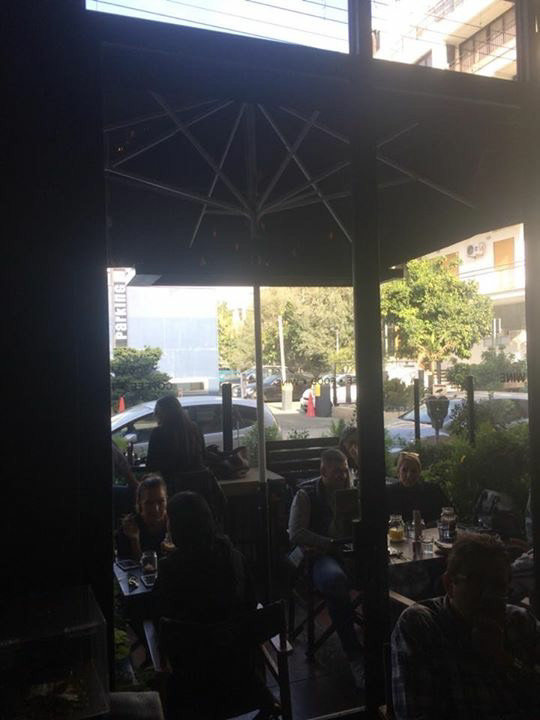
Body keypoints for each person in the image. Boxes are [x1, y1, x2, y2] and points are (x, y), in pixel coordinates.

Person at [391, 533, 540, 719]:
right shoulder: (422, 626)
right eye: (476, 582)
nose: (488, 595)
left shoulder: (520, 622)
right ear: (449, 584)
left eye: (498, 585)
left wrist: (503, 659)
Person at [288, 448, 363, 686]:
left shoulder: (352, 491)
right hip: (320, 556)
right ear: (323, 472)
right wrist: (328, 543)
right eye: (337, 472)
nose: (343, 476)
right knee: (335, 581)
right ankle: (354, 654)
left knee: (386, 570)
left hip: (350, 551)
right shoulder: (306, 494)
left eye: (345, 471)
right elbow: (296, 532)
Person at [153, 491, 255, 623]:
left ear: (176, 527)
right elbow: (251, 603)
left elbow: (158, 613)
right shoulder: (235, 556)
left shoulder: (169, 568)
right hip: (235, 635)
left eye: (169, 520)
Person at [146, 395, 206, 494]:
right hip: (197, 487)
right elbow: (203, 455)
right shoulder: (195, 429)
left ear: (164, 413)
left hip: (172, 488)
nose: (154, 415)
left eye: (157, 411)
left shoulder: (158, 433)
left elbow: (151, 466)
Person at [386, 451, 448, 523]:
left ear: (419, 473)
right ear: (398, 472)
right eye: (404, 470)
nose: (409, 475)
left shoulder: (433, 491)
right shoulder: (388, 493)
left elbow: (449, 513)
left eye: (413, 471)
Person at [116, 474, 168, 561]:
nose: (156, 509)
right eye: (149, 503)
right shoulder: (129, 527)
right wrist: (134, 540)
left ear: (166, 499)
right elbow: (129, 566)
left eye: (161, 501)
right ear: (139, 503)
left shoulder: (175, 522)